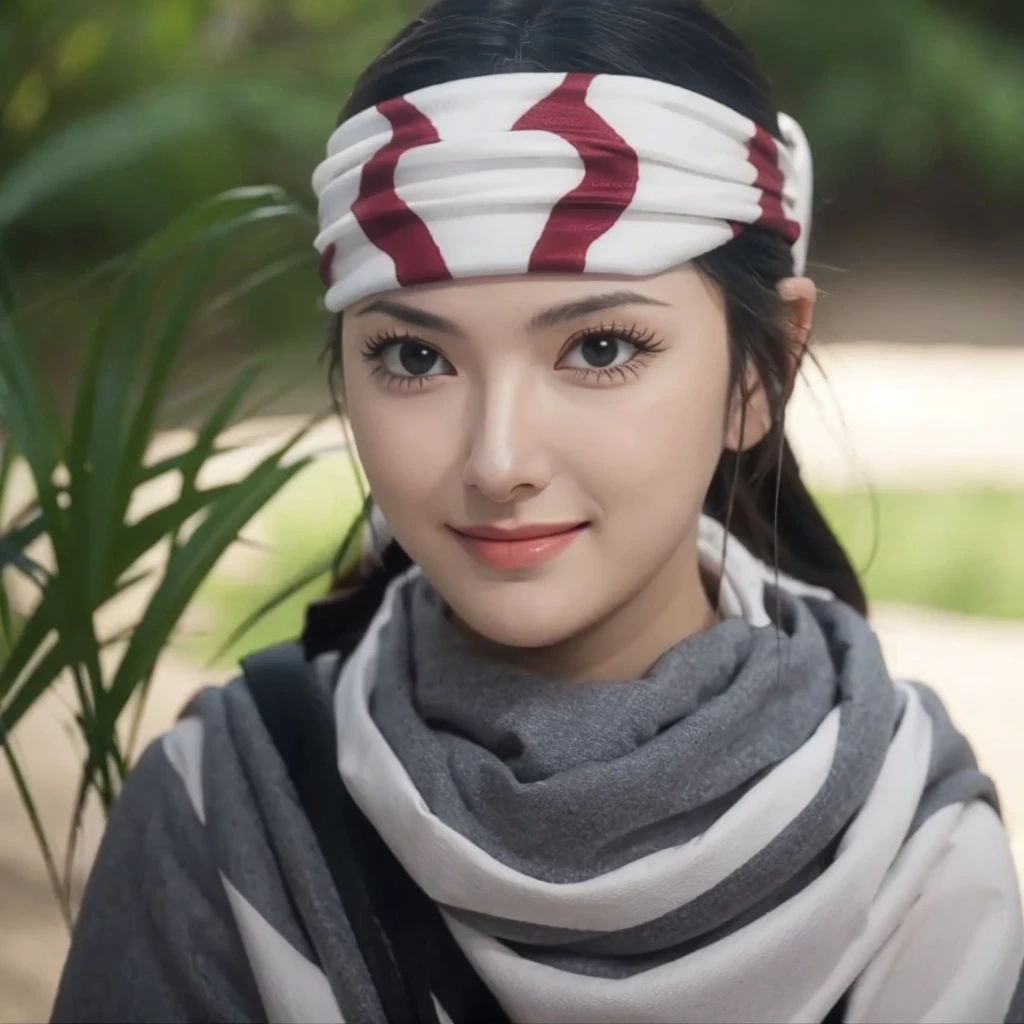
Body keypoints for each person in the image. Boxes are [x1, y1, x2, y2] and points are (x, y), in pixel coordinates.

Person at [52, 0, 1024, 1021]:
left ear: (762, 372)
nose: (498, 460)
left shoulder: (919, 859)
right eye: (416, 356)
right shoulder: (226, 808)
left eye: (599, 347)